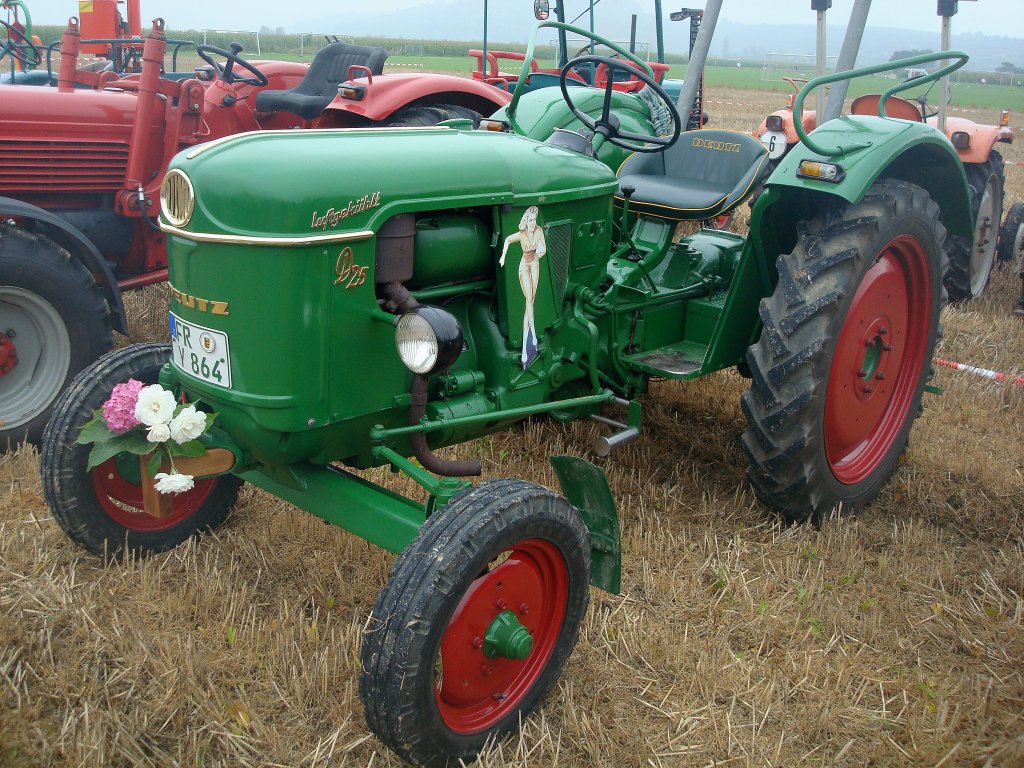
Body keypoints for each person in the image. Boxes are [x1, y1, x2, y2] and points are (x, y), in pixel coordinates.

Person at [500, 206, 546, 369]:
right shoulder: (521, 234)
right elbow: (506, 240)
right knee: (528, 298)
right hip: (524, 266)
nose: (533, 222)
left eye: (534, 219)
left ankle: (527, 349)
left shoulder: (539, 231)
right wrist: (503, 256)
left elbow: (543, 247)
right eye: (531, 220)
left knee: (531, 301)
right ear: (526, 221)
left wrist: (540, 252)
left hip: (535, 264)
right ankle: (532, 334)